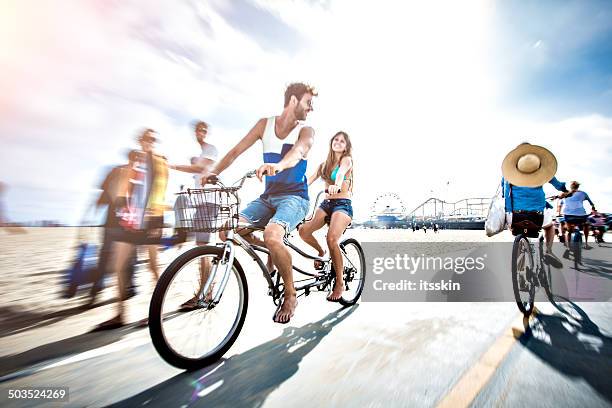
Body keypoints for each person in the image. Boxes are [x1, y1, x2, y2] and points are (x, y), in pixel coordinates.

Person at [201, 82, 317, 323]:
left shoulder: (306, 131)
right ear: (293, 101)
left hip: (295, 197)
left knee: (273, 235)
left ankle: (290, 294)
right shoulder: (265, 125)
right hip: (268, 198)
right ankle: (271, 251)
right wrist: (213, 171)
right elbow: (235, 152)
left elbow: (297, 153)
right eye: (308, 103)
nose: (311, 108)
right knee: (227, 230)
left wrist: (279, 165)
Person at [94, 129, 169, 330]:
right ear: (140, 141)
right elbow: (124, 190)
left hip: (152, 221)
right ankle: (120, 314)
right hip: (131, 222)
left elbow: (161, 192)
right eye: (146, 139)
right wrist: (120, 212)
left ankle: (157, 312)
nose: (149, 142)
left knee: (153, 267)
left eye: (153, 139)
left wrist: (157, 220)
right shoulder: (135, 162)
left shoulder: (161, 162)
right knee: (117, 265)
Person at [169, 121, 220, 309]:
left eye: (204, 130)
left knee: (203, 249)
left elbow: (199, 169)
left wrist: (173, 166)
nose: (201, 133)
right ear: (195, 132)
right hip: (202, 204)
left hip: (209, 203)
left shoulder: (210, 150)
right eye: (199, 130)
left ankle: (205, 294)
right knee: (201, 248)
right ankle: (206, 291)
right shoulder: (201, 154)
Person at [299, 131, 353, 301]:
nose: (338, 142)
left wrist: (336, 185)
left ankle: (340, 282)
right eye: (336, 139)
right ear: (331, 142)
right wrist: (294, 188)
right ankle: (320, 252)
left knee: (331, 239)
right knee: (303, 231)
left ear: (346, 146)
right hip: (326, 204)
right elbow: (310, 179)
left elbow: (341, 173)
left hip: (342, 205)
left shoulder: (346, 160)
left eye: (342, 141)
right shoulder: (323, 165)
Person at [501, 143, 568, 255]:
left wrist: (508, 213)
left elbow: (505, 194)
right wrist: (566, 190)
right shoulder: (545, 172)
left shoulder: (508, 175)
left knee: (516, 229)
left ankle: (519, 255)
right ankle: (548, 251)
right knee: (549, 226)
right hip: (537, 215)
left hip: (514, 215)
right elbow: (559, 186)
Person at [559, 181, 596, 250]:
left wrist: (558, 213)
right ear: (578, 186)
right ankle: (586, 244)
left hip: (568, 216)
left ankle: (568, 247)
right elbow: (591, 203)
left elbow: (560, 205)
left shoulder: (565, 194)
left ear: (570, 187)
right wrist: (593, 209)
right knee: (586, 224)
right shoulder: (583, 193)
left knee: (569, 231)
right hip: (581, 216)